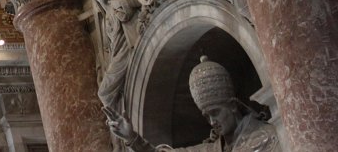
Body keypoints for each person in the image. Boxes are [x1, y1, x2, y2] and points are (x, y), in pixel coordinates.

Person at [106, 56, 279, 151]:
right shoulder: (213, 149)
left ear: (233, 105)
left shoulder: (267, 136)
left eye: (215, 112)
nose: (212, 122)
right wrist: (133, 138)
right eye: (207, 116)